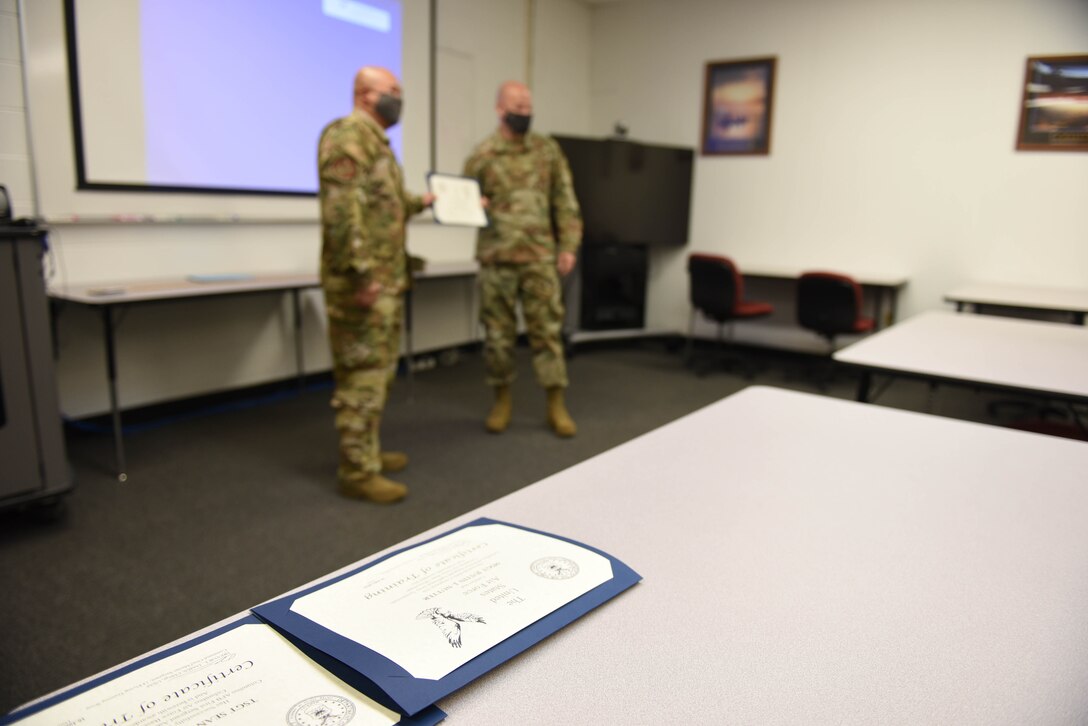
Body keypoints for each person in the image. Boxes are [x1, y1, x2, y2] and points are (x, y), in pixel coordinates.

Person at [318, 66, 433, 503]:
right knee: (361, 378)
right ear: (365, 95)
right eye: (393, 92)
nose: (398, 100)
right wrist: (361, 275)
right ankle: (356, 472)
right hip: (362, 285)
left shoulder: (376, 144)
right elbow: (342, 216)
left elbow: (389, 206)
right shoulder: (347, 137)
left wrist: (426, 200)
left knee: (379, 374)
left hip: (386, 282)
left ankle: (368, 452)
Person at [463, 81, 583, 438]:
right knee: (498, 338)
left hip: (539, 257)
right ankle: (501, 400)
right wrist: (473, 204)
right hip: (497, 259)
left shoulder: (547, 151)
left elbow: (565, 199)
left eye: (529, 107)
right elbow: (461, 201)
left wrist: (568, 246)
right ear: (500, 109)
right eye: (518, 106)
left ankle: (555, 404)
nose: (525, 113)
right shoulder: (483, 154)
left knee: (547, 334)